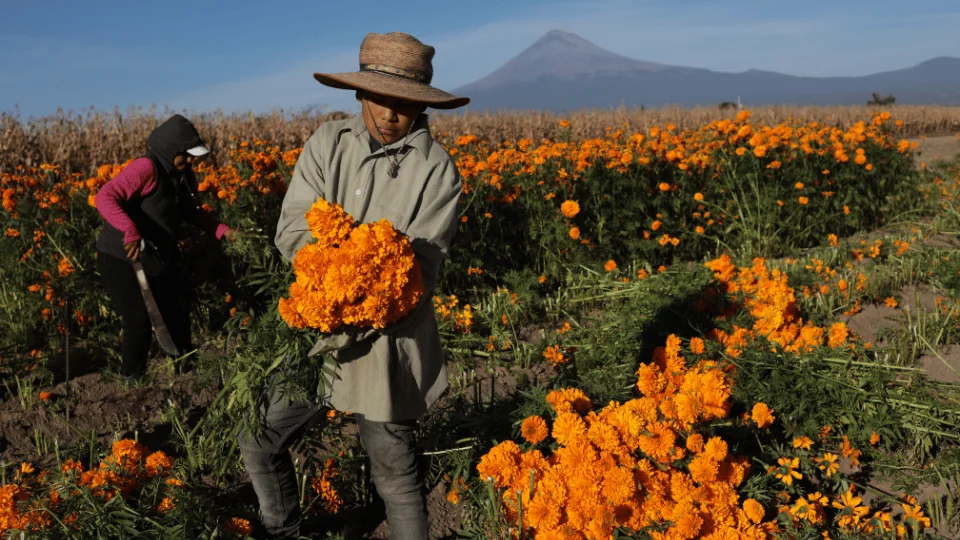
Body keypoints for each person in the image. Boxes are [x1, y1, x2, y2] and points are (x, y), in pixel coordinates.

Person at [238, 32, 469, 539]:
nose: (390, 115)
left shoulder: (437, 172)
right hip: (314, 337)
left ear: (421, 106)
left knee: (396, 474)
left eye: (404, 105)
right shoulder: (327, 144)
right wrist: (327, 278)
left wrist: (372, 293)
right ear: (360, 95)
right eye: (381, 100)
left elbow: (421, 271)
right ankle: (283, 531)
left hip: (386, 345)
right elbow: (295, 225)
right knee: (258, 439)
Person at [94, 114, 237, 381]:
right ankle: (131, 381)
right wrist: (129, 230)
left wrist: (224, 231)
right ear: (171, 150)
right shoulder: (146, 168)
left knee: (177, 311)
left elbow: (192, 213)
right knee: (139, 320)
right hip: (120, 256)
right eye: (186, 155)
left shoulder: (180, 175)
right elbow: (105, 197)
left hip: (152, 255)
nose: (191, 160)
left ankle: (188, 373)